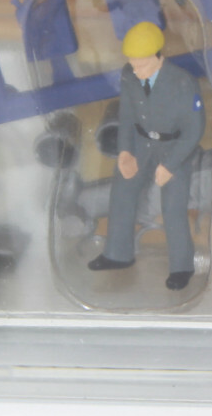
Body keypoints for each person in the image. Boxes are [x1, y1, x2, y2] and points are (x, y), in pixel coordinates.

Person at [88, 22, 205, 290]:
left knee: (173, 207)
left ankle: (182, 266)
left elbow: (194, 130)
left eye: (141, 64)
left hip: (174, 147)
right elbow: (127, 116)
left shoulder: (182, 82)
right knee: (122, 191)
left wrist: (170, 165)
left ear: (158, 57)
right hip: (140, 142)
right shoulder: (129, 75)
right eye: (132, 63)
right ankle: (117, 254)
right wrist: (125, 151)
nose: (136, 69)